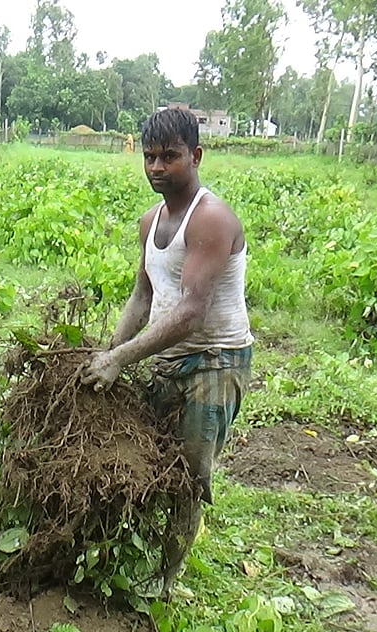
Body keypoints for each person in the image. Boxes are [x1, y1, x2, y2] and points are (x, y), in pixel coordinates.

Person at [80, 107, 253, 593]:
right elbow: (144, 295)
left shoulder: (211, 219)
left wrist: (119, 360)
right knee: (150, 458)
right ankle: (141, 558)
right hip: (167, 358)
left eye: (170, 156)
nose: (158, 167)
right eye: (151, 157)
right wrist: (107, 353)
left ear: (195, 155)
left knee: (187, 476)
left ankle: (164, 581)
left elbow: (192, 312)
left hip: (214, 362)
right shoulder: (149, 221)